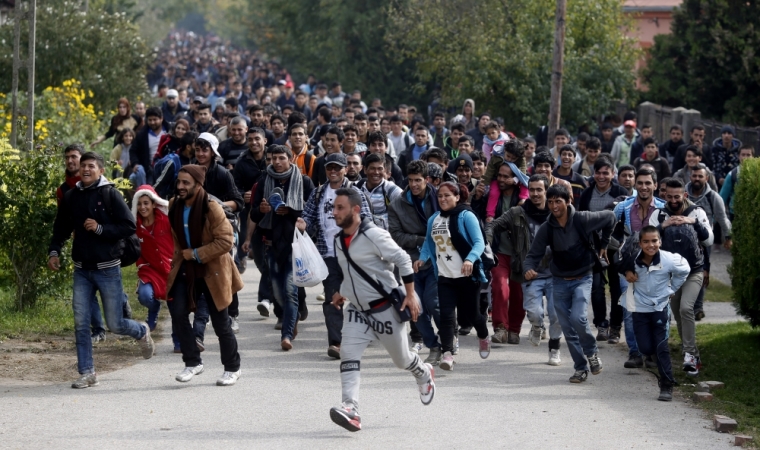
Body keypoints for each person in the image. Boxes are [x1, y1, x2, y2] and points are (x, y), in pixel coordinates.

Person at [329, 188, 435, 432]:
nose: (334, 212)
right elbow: (352, 273)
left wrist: (410, 295)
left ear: (356, 210)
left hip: (384, 308)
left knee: (402, 360)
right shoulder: (338, 239)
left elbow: (402, 260)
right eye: (334, 208)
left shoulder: (374, 235)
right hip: (357, 309)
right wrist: (341, 291)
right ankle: (351, 409)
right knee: (348, 353)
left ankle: (423, 372)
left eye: (340, 208)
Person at [48, 152, 154, 389]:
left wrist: (99, 229)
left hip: (108, 270)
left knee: (115, 324)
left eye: (91, 166)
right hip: (82, 270)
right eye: (83, 166)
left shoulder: (110, 194)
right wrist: (54, 252)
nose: (85, 169)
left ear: (100, 170)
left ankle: (141, 331)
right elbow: (61, 228)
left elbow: (128, 226)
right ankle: (87, 372)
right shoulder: (71, 196)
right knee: (81, 322)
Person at [523, 184, 616, 383]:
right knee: (567, 327)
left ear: (568, 201)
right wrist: (528, 269)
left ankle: (591, 353)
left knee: (578, 318)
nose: (554, 206)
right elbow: (532, 255)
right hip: (559, 282)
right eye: (550, 202)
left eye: (558, 201)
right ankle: (580, 368)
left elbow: (610, 217)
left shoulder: (582, 219)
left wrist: (605, 245)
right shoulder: (548, 227)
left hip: (583, 277)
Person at [166, 165, 242, 386]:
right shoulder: (173, 205)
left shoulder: (212, 208)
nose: (180, 186)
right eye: (179, 182)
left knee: (221, 324)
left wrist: (197, 254)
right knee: (178, 313)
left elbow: (226, 241)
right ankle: (192, 362)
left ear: (198, 185)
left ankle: (232, 368)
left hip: (213, 270)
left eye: (185, 183)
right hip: (186, 268)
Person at [298, 153, 372, 357]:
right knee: (332, 298)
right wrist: (303, 224)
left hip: (353, 255)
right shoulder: (318, 193)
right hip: (328, 254)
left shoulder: (354, 192)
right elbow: (309, 216)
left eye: (337, 168)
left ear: (345, 169)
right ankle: (336, 343)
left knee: (360, 297)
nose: (333, 171)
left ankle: (366, 332)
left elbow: (367, 219)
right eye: (329, 167)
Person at [488, 174, 563, 364]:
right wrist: (486, 244)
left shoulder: (558, 211)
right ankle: (537, 326)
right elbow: (493, 225)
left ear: (547, 191)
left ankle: (554, 350)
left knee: (556, 314)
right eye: (532, 190)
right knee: (535, 313)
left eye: (540, 190)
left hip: (556, 273)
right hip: (530, 273)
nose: (536, 194)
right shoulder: (517, 212)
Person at [415, 182, 491, 370]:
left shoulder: (467, 216)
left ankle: (483, 335)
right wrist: (422, 259)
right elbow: (428, 243)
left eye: (447, 195)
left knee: (472, 314)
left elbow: (479, 242)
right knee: (447, 317)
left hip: (467, 276)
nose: (443, 199)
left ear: (457, 197)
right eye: (440, 196)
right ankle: (448, 354)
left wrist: (470, 260)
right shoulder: (434, 219)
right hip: (444, 276)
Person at [251, 145, 315, 350]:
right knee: (277, 292)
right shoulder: (263, 181)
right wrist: (261, 210)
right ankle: (292, 316)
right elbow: (253, 215)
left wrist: (293, 210)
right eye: (273, 159)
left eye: (281, 158)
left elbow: (312, 213)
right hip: (270, 244)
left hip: (295, 246)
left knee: (290, 291)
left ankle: (286, 335)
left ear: (290, 159)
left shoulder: (304, 181)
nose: (277, 162)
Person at [649, 178, 713, 376]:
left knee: (687, 308)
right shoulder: (658, 214)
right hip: (670, 273)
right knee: (677, 313)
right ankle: (691, 352)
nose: (674, 200)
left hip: (694, 270)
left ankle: (690, 355)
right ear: (664, 195)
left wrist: (691, 221)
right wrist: (664, 225)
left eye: (677, 197)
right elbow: (647, 239)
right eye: (670, 197)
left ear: (684, 195)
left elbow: (709, 239)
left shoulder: (697, 211)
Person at [619, 226, 690, 402]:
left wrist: (672, 288)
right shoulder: (632, 259)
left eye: (654, 241)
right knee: (645, 348)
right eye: (646, 241)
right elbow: (619, 264)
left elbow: (685, 270)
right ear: (640, 243)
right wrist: (627, 272)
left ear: (660, 241)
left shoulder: (669, 259)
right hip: (639, 309)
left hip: (660, 308)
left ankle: (667, 385)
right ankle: (649, 355)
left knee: (661, 347)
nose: (651, 245)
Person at [388, 160, 443, 364]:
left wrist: (429, 241)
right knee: (415, 307)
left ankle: (448, 339)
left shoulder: (439, 197)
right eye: (410, 181)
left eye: (418, 180)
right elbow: (396, 235)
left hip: (439, 260)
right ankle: (433, 346)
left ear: (426, 180)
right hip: (411, 261)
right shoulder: (397, 204)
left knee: (434, 303)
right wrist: (423, 240)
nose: (414, 185)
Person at [612, 167, 665, 369]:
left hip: (656, 268)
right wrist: (620, 258)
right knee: (629, 308)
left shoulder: (663, 208)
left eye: (648, 183)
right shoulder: (623, 208)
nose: (644, 187)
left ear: (655, 185)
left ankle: (652, 351)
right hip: (629, 266)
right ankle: (635, 352)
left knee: (657, 308)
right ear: (635, 184)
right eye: (640, 183)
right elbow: (610, 233)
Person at [55, 144, 108, 343]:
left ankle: (121, 304)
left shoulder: (101, 184)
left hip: (105, 246)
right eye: (67, 157)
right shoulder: (64, 190)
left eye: (74, 157)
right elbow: (63, 221)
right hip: (82, 247)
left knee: (109, 287)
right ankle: (98, 329)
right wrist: (56, 248)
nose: (70, 161)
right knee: (87, 291)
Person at [578, 156, 629, 342]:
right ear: (593, 173)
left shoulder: (621, 193)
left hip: (616, 246)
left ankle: (616, 327)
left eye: (606, 173)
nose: (601, 176)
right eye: (598, 172)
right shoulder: (587, 194)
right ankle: (601, 324)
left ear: (613, 174)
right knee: (597, 287)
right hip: (593, 248)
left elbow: (626, 222)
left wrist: (612, 242)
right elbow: (581, 220)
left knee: (617, 288)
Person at [131, 185, 176, 348]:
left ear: (154, 203)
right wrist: (141, 264)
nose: (143, 207)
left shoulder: (166, 219)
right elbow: (134, 249)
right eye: (140, 204)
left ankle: (178, 341)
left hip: (170, 268)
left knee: (175, 307)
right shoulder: (135, 226)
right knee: (144, 296)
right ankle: (154, 307)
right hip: (149, 269)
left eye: (146, 203)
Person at [686, 166, 731, 321]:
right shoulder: (682, 194)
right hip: (683, 240)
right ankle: (683, 306)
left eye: (700, 176)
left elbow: (722, 217)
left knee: (700, 274)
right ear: (690, 177)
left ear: (706, 178)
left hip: (704, 242)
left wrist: (728, 236)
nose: (697, 179)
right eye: (694, 176)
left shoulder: (713, 197)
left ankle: (698, 308)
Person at [356, 153, 402, 230]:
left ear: (385, 170)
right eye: (372, 168)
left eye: (380, 169)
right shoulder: (358, 188)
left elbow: (406, 203)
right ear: (365, 170)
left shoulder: (390, 188)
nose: (376, 172)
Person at [130, 106, 170, 184]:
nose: (152, 122)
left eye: (155, 120)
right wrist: (135, 163)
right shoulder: (142, 134)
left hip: (165, 167)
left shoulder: (169, 131)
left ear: (161, 119)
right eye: (150, 120)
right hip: (148, 168)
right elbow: (133, 150)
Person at [719, 144, 754, 220]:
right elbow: (722, 198)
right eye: (743, 155)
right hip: (736, 214)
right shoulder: (732, 174)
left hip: (754, 213)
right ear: (739, 156)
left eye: (748, 155)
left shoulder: (757, 173)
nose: (745, 157)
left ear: (753, 157)